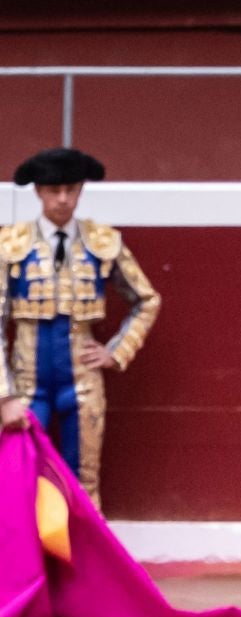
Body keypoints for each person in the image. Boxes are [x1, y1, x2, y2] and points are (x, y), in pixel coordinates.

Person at [1, 147, 160, 506]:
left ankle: (83, 563)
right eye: (53, 190)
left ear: (80, 191)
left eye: (71, 189)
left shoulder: (102, 242)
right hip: (26, 385)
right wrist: (4, 395)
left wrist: (117, 351)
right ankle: (28, 564)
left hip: (83, 382)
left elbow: (147, 299)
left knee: (83, 483)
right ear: (39, 192)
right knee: (22, 482)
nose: (62, 199)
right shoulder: (9, 245)